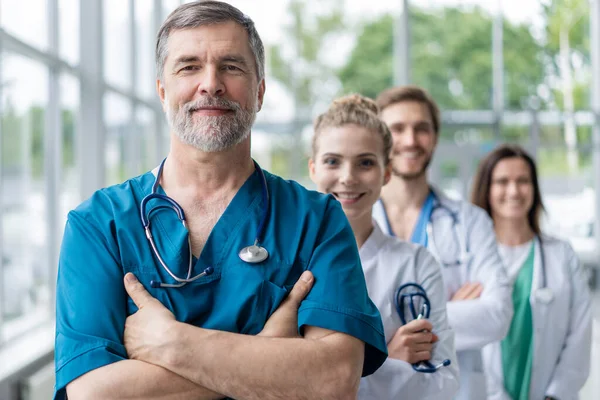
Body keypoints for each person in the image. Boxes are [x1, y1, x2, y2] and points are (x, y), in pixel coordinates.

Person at [53, 2, 388, 399]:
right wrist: (268, 349)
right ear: (163, 91)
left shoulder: (316, 221)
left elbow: (333, 381)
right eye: (189, 66)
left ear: (260, 91)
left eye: (231, 66)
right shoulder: (99, 225)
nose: (210, 83)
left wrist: (172, 343)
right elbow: (93, 394)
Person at [309, 93, 459, 399]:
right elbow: (276, 380)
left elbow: (443, 381)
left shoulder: (416, 263)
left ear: (386, 173)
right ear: (313, 169)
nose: (348, 178)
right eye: (332, 161)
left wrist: (339, 374)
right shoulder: (290, 260)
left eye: (365, 162)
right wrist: (385, 360)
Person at [371, 85, 513, 399]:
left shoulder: (471, 222)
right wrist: (447, 312)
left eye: (421, 129)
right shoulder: (352, 222)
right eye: (397, 129)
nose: (410, 140)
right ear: (379, 139)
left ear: (434, 137)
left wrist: (387, 328)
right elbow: (337, 327)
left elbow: (497, 315)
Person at [472, 144, 592, 400]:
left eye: (523, 181)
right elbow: (463, 339)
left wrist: (556, 394)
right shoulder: (470, 258)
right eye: (502, 181)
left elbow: (580, 333)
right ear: (487, 189)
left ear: (534, 189)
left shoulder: (561, 254)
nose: (514, 191)